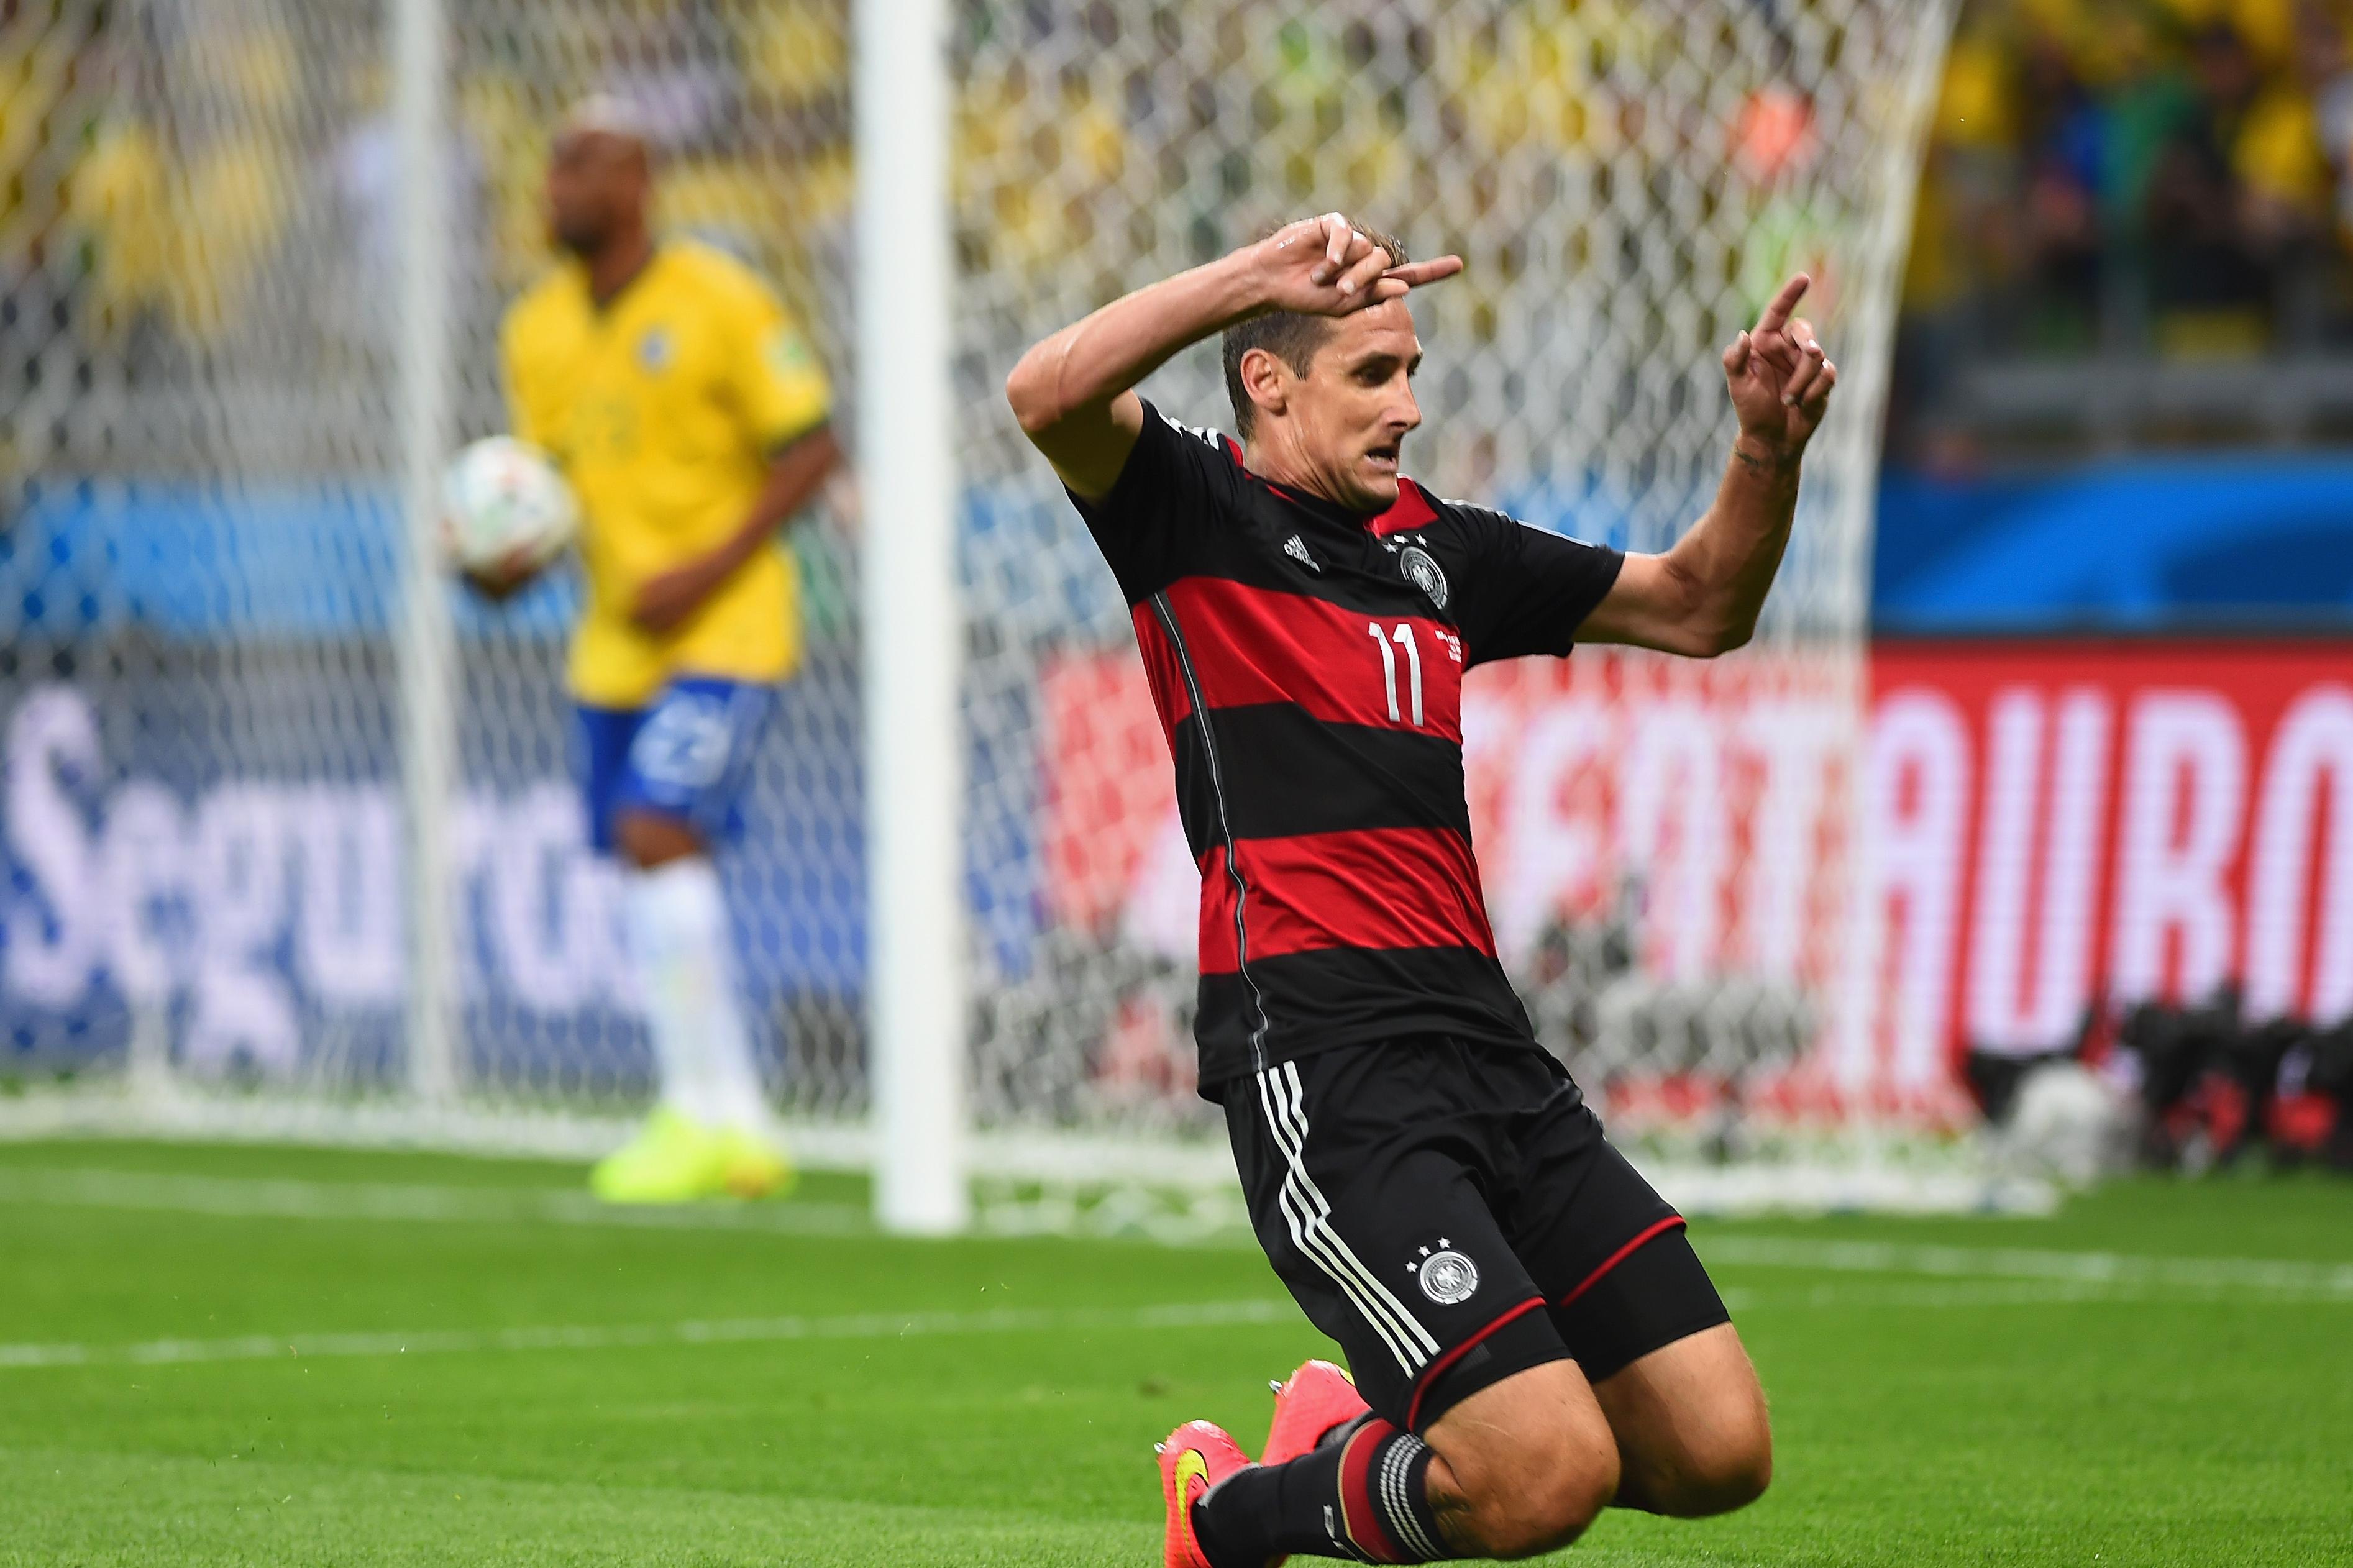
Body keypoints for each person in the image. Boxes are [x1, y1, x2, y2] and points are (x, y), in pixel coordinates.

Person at [1005, 214, 1835, 1564]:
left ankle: (1355, 1447)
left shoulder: (1439, 549)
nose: (1409, 405)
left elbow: (1698, 604)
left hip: (1495, 1060)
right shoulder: (1190, 509)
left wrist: (1764, 450)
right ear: (1268, 382)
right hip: (1329, 1069)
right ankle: (1228, 1518)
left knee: (1716, 1450)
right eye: (1372, 375)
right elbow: (1044, 390)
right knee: (1544, 1478)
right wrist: (1251, 278)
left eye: (1410, 370)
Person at [482, 98, 841, 1203]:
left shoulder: (718, 298)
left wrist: (704, 565)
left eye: (582, 166)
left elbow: (812, 448)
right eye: (551, 168)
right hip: (613, 647)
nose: (556, 188)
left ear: (638, 180)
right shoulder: (533, 331)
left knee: (655, 828)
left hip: (728, 628)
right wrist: (501, 563)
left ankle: (699, 1115)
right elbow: (541, 500)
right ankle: (732, 1124)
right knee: (649, 862)